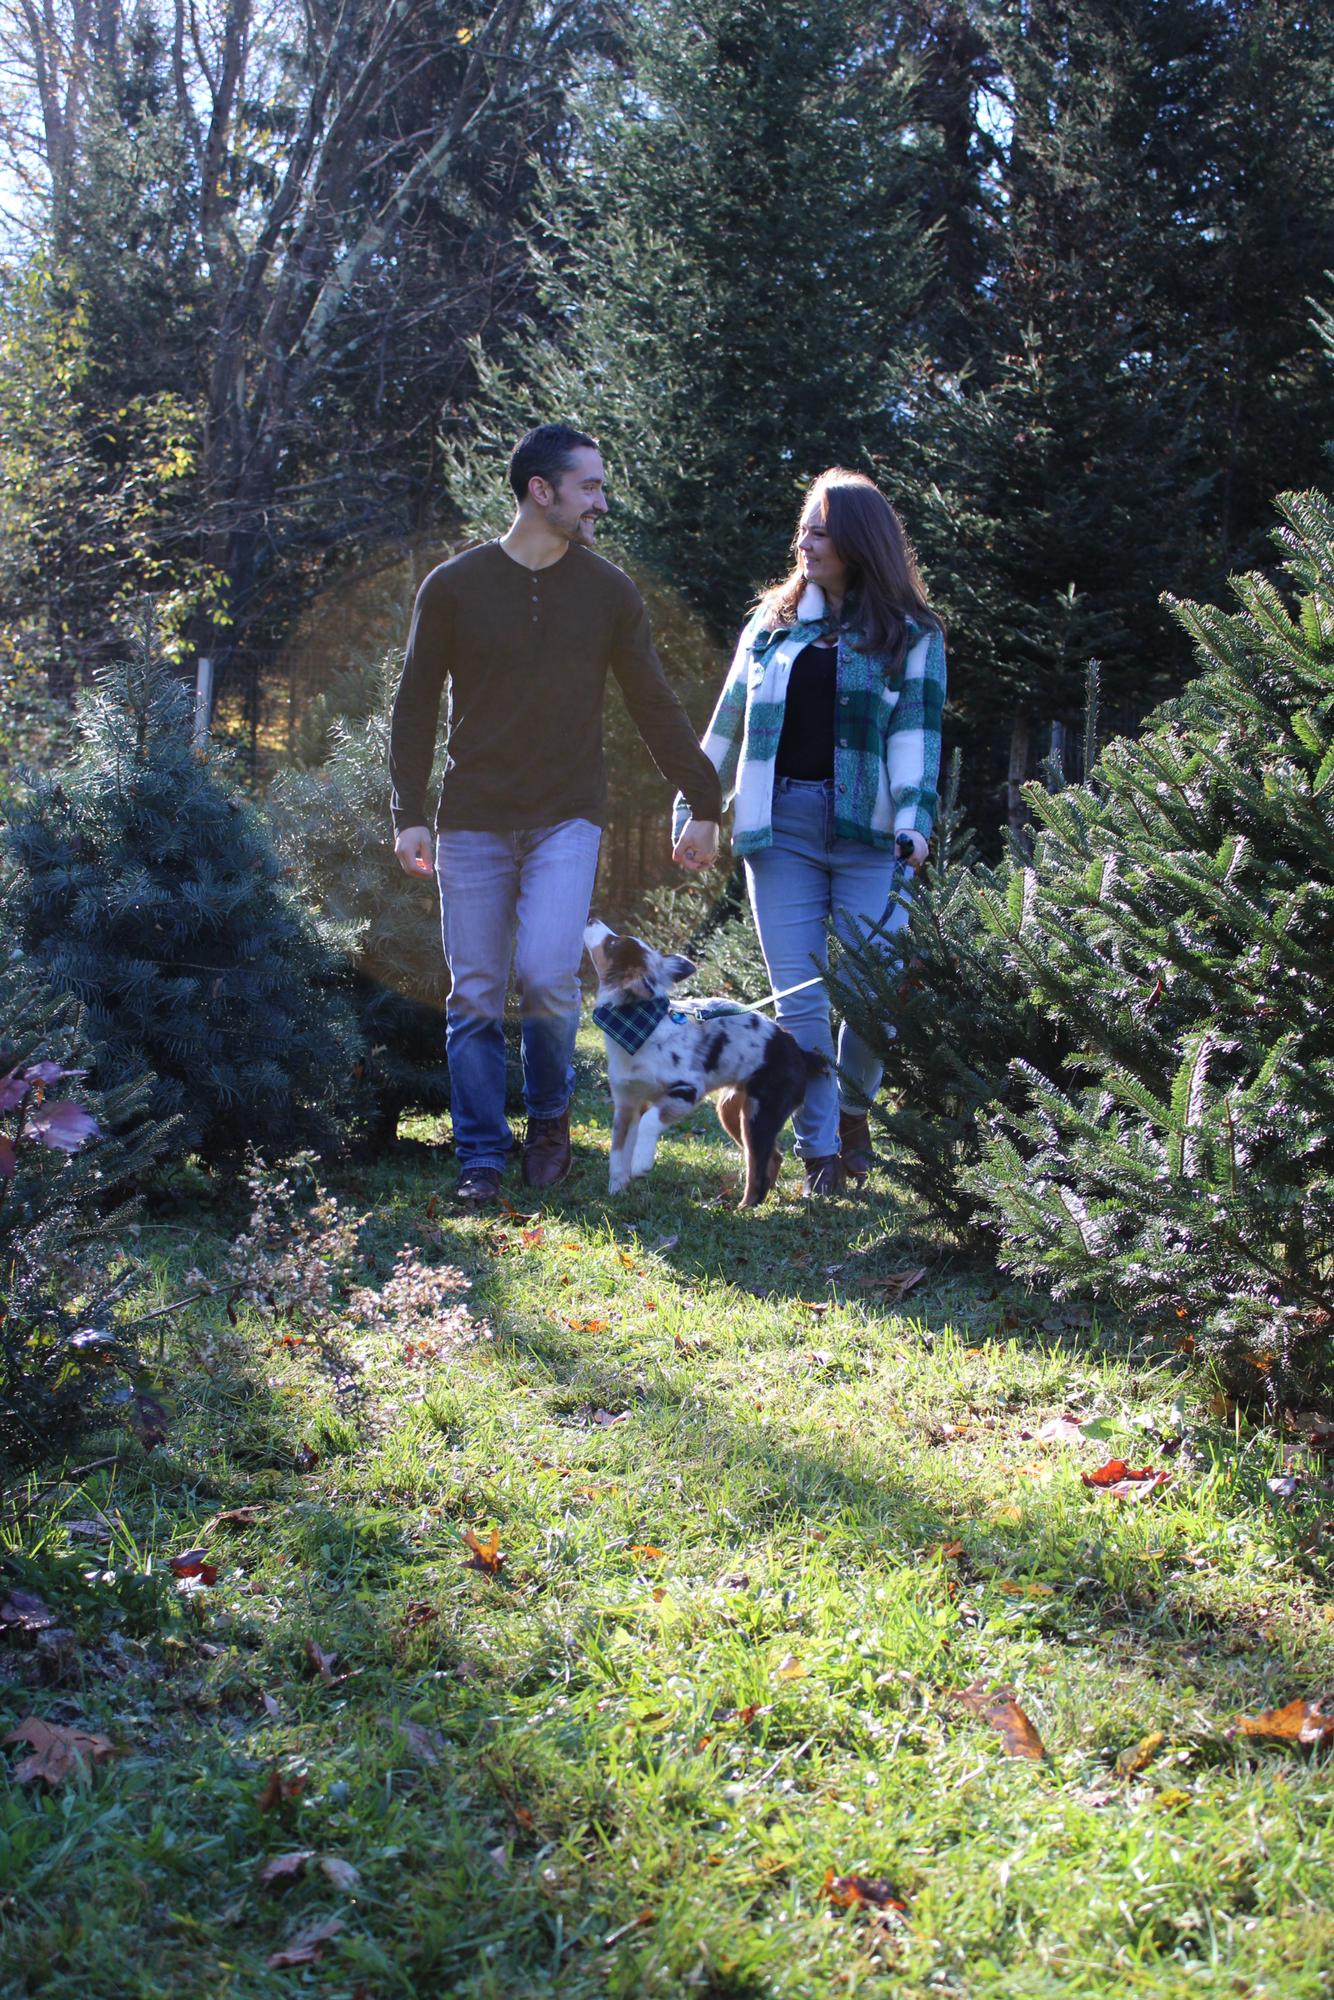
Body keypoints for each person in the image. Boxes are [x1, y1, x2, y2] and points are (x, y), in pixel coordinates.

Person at [391, 422, 723, 1206]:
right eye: (590, 487)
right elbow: (414, 704)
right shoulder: (454, 586)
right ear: (541, 491)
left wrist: (705, 801)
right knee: (475, 993)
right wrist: (408, 810)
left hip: (567, 816)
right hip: (472, 817)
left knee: (545, 977)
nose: (601, 502)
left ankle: (548, 1120)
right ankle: (480, 1155)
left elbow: (653, 703)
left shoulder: (608, 593)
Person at [673, 467, 945, 1195]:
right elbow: (727, 723)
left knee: (875, 999)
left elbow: (916, 734)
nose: (805, 542)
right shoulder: (773, 623)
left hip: (871, 836)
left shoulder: (910, 632)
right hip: (782, 828)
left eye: (821, 532)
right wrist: (697, 808)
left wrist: (914, 821)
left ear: (860, 541)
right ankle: (820, 1155)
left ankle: (852, 1114)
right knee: (801, 1003)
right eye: (803, 529)